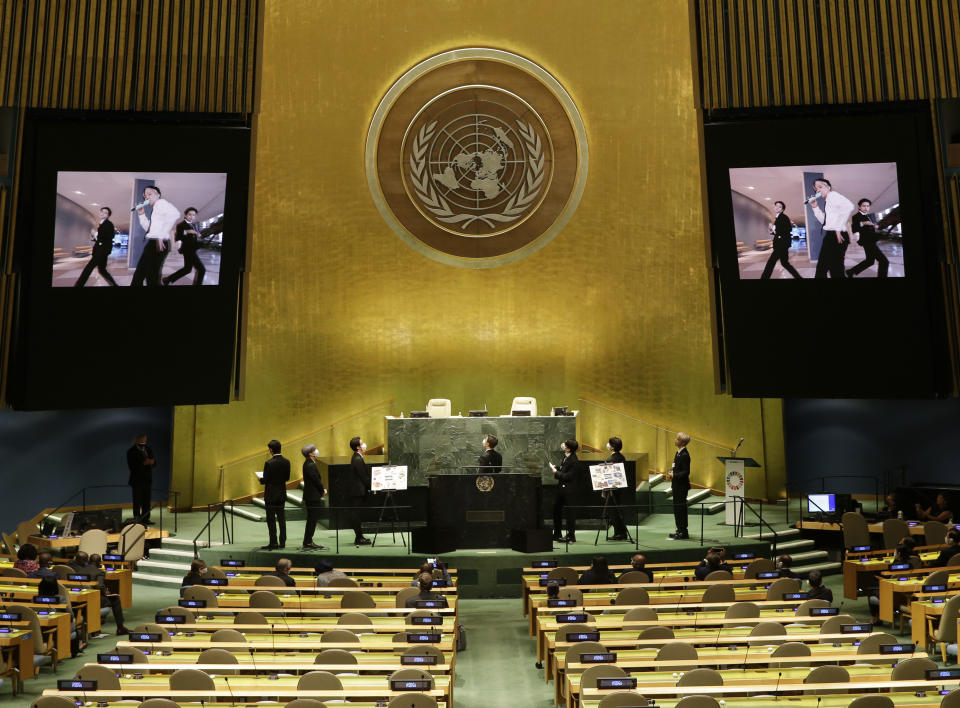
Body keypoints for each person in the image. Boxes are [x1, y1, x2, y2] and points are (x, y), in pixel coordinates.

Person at [70, 550, 129, 635]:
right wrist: (106, 592)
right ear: (99, 563)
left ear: (89, 561)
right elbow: (99, 586)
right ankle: (120, 627)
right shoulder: (99, 572)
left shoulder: (78, 569)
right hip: (93, 600)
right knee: (115, 599)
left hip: (79, 599)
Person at [132, 185, 180, 287]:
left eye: (150, 194)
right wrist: (141, 215)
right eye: (145, 196)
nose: (147, 197)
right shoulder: (156, 210)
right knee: (148, 276)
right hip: (153, 243)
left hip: (157, 243)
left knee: (146, 276)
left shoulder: (160, 203)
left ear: (158, 195)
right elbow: (150, 229)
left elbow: (175, 214)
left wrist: (160, 235)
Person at [808, 177, 855, 279]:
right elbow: (826, 222)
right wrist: (815, 207)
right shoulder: (828, 201)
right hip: (831, 235)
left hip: (837, 235)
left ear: (828, 187)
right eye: (816, 189)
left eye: (820, 186)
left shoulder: (832, 195)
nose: (818, 190)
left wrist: (838, 227)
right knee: (825, 268)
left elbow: (849, 206)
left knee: (833, 269)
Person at [74, 207, 119, 287]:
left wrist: (95, 234)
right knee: (102, 270)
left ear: (108, 215)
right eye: (101, 212)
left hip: (102, 251)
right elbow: (101, 238)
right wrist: (94, 238)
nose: (102, 213)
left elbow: (110, 236)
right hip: (100, 250)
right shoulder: (101, 223)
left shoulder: (109, 224)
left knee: (88, 269)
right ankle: (114, 285)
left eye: (105, 212)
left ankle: (78, 285)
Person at [163, 207, 207, 286]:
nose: (192, 217)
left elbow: (195, 235)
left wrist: (197, 235)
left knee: (187, 269)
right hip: (188, 250)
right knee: (201, 269)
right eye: (190, 214)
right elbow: (178, 238)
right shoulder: (180, 225)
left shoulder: (194, 224)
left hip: (193, 249)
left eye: (193, 215)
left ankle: (167, 279)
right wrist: (187, 232)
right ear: (185, 215)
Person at [550, 439, 583, 543]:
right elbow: (564, 469)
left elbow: (569, 476)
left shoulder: (574, 461)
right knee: (556, 511)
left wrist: (556, 473)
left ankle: (570, 536)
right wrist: (558, 468)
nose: (563, 445)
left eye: (565, 445)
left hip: (569, 491)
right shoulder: (566, 457)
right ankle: (557, 533)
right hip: (561, 490)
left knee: (570, 514)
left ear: (568, 448)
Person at [846, 199, 889, 278]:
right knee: (884, 261)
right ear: (859, 207)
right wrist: (863, 223)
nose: (866, 208)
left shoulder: (868, 216)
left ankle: (850, 271)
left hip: (872, 240)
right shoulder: (856, 216)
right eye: (864, 206)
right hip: (867, 242)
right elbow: (854, 229)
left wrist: (875, 226)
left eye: (868, 206)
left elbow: (871, 227)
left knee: (869, 261)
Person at [260, 439, 290, 550]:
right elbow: (287, 478)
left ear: (271, 450)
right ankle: (282, 542)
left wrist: (261, 479)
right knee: (282, 520)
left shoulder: (269, 463)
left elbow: (266, 480)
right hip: (281, 494)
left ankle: (273, 543)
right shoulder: (287, 462)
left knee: (271, 521)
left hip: (271, 495)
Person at [760, 200, 802, 279]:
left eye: (779, 206)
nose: (777, 207)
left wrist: (774, 229)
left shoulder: (783, 217)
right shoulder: (778, 218)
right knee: (785, 264)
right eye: (776, 206)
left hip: (781, 245)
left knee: (770, 263)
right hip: (781, 244)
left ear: (782, 209)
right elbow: (778, 231)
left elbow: (788, 229)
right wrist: (772, 230)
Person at [300, 443, 327, 550]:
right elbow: (316, 479)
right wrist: (323, 489)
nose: (316, 451)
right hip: (312, 496)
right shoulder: (310, 464)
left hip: (310, 496)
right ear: (311, 453)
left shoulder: (308, 463)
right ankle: (308, 542)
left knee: (312, 519)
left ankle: (308, 541)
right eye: (315, 450)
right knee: (312, 520)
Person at [126, 433, 156, 524]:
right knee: (137, 500)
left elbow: (155, 463)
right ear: (137, 440)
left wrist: (152, 462)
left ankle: (146, 518)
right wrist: (143, 463)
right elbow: (131, 467)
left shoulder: (148, 449)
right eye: (142, 440)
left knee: (147, 501)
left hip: (148, 479)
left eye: (145, 440)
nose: (144, 442)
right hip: (137, 480)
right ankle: (137, 519)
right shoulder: (131, 451)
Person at [604, 436, 630, 541]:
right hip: (620, 488)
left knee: (613, 512)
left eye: (609, 443)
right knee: (618, 511)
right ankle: (621, 532)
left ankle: (618, 533)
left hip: (613, 490)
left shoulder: (611, 459)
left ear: (612, 447)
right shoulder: (621, 457)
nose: (608, 445)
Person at [348, 437, 372, 546]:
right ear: (358, 447)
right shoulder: (357, 458)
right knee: (356, 515)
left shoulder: (358, 457)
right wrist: (372, 486)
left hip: (358, 491)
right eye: (362, 443)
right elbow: (363, 476)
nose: (364, 444)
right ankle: (359, 538)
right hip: (358, 492)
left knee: (357, 514)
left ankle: (360, 537)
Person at [667, 432, 691, 540]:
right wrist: (672, 472)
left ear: (681, 442)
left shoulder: (685, 455)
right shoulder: (678, 453)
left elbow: (686, 472)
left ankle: (683, 531)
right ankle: (679, 530)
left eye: (677, 439)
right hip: (676, 485)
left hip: (682, 486)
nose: (675, 440)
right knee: (677, 509)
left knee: (681, 509)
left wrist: (674, 475)